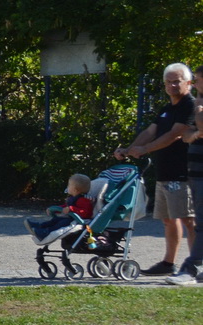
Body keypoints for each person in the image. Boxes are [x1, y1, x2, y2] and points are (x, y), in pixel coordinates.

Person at [114, 63, 195, 277]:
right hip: (164, 171)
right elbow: (151, 131)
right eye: (169, 81)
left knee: (188, 219)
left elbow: (175, 134)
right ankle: (169, 264)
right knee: (169, 219)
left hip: (183, 172)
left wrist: (145, 149)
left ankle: (196, 264)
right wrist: (130, 149)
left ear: (189, 83)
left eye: (177, 81)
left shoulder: (191, 105)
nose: (172, 85)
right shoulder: (166, 109)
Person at [176, 87, 203, 285]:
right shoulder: (197, 103)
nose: (196, 85)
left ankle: (192, 266)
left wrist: (200, 113)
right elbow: (186, 136)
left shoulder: (197, 105)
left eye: (200, 80)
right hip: (196, 172)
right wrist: (195, 133)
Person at [25, 174, 94, 245]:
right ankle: (39, 226)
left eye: (69, 185)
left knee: (61, 223)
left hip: (77, 220)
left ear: (75, 190)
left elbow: (86, 212)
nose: (67, 187)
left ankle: (45, 232)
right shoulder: (73, 198)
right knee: (55, 220)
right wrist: (56, 209)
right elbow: (66, 206)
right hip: (70, 217)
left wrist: (72, 209)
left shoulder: (83, 200)